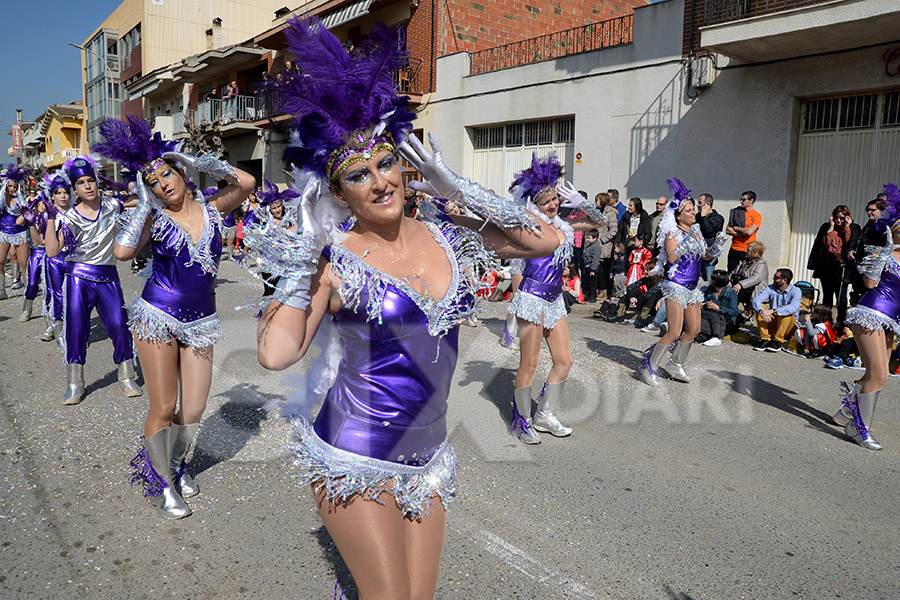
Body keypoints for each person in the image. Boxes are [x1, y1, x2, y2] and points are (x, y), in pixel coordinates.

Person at [247, 18, 560, 599]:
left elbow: (547, 239)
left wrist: (456, 188)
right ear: (338, 193)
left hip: (430, 454)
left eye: (386, 164)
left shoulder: (448, 234)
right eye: (357, 175)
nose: (380, 182)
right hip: (354, 453)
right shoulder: (334, 260)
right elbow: (275, 353)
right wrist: (305, 254)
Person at [94, 115, 255, 518]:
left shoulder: (215, 208)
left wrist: (194, 157)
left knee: (195, 407)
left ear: (180, 172)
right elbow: (123, 253)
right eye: (153, 183)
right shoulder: (155, 217)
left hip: (201, 320)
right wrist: (145, 206)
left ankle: (179, 465)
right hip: (157, 316)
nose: (163, 184)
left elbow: (247, 183)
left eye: (167, 174)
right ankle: (162, 480)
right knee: (164, 405)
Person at [505, 155, 606, 444]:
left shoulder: (562, 225)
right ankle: (522, 420)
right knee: (530, 363)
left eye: (555, 199)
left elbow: (598, 222)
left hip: (554, 301)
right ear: (532, 203)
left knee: (564, 360)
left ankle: (545, 414)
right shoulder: (528, 226)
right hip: (532, 300)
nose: (552, 204)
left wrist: (580, 202)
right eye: (545, 201)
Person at [43, 156, 142, 405]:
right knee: (76, 328)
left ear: (97, 182)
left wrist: (141, 176)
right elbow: (53, 251)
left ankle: (126, 376)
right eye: (81, 183)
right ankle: (75, 384)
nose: (87, 186)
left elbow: (142, 201)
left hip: (108, 276)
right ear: (74, 189)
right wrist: (51, 217)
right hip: (78, 278)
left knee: (120, 324)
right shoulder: (69, 218)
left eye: (91, 180)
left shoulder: (112, 206)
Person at [637, 178, 726, 386]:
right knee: (674, 331)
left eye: (694, 210)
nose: (693, 213)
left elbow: (704, 255)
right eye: (688, 211)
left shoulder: (695, 232)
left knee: (694, 329)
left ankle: (675, 363)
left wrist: (716, 248)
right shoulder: (672, 232)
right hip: (676, 285)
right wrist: (688, 242)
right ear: (678, 215)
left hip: (692, 288)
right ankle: (648, 367)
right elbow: (671, 257)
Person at [832, 184, 900, 450]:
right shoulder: (885, 253)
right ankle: (859, 428)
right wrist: (882, 253)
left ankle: (846, 413)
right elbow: (870, 284)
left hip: (889, 321)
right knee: (880, 374)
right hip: (870, 314)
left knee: (874, 372)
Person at [807, 205, 860, 323]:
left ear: (847, 217)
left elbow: (850, 243)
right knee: (827, 295)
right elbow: (825, 244)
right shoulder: (827, 227)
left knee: (841, 295)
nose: (839, 220)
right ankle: (826, 321)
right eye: (836, 217)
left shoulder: (854, 228)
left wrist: (846, 227)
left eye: (842, 218)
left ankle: (841, 321)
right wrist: (831, 228)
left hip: (841, 266)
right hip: (827, 264)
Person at [751, 268, 802, 351]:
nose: (773, 278)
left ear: (784, 280)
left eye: (776, 277)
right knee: (760, 307)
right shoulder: (771, 288)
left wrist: (773, 311)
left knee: (786, 312)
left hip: (789, 328)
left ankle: (777, 341)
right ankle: (765, 339)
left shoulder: (796, 291)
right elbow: (756, 300)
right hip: (775, 324)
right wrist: (762, 311)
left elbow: (793, 307)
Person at [0, 164, 31, 300]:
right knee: (0, 262)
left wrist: (19, 195)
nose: (12, 189)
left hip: (20, 234)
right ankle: (1, 290)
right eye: (10, 186)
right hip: (3, 233)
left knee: (24, 262)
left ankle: (27, 289)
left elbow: (26, 213)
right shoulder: (1, 198)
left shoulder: (20, 199)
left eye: (15, 186)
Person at [848, 198, 884, 304]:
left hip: (874, 270)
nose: (869, 212)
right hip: (860, 268)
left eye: (873, 210)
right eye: (868, 210)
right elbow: (858, 242)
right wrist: (851, 251)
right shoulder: (868, 226)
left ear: (881, 211)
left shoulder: (885, 227)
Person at [696, 269, 739, 346]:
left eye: (712, 279)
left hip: (727, 320)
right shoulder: (710, 289)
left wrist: (718, 308)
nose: (710, 279)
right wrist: (703, 305)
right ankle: (708, 335)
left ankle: (715, 336)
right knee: (697, 318)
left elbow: (734, 312)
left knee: (715, 316)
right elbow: (705, 301)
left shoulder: (730, 292)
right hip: (711, 319)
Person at [726, 191, 761, 274]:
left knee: (744, 273)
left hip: (747, 250)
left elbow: (749, 232)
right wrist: (743, 232)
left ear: (751, 201)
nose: (741, 201)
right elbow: (728, 230)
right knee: (731, 273)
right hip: (734, 248)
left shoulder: (756, 215)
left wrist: (737, 228)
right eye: (740, 199)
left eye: (743, 199)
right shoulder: (736, 213)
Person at [593, 192, 618, 301]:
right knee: (595, 268)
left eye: (597, 200)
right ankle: (598, 289)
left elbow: (613, 230)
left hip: (604, 245)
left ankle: (605, 290)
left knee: (604, 269)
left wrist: (602, 240)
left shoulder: (610, 213)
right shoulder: (595, 212)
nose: (596, 202)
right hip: (594, 244)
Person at [729, 240, 768, 310]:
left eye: (748, 250)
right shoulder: (744, 261)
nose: (745, 251)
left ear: (754, 253)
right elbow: (734, 272)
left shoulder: (761, 263)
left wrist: (740, 285)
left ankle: (732, 313)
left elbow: (756, 278)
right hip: (740, 287)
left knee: (733, 294)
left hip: (753, 289)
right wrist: (728, 281)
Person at [696, 193, 724, 281]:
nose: (697, 205)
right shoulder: (697, 216)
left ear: (707, 204)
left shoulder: (718, 218)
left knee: (708, 283)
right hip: (697, 257)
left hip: (708, 258)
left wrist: (703, 216)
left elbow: (708, 230)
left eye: (700, 203)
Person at [581, 229, 601, 302]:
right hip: (587, 267)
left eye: (589, 238)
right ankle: (589, 296)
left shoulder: (596, 247)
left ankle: (592, 297)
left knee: (592, 284)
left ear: (595, 238)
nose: (587, 239)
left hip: (592, 268)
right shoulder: (590, 245)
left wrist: (593, 269)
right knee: (588, 283)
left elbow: (595, 259)